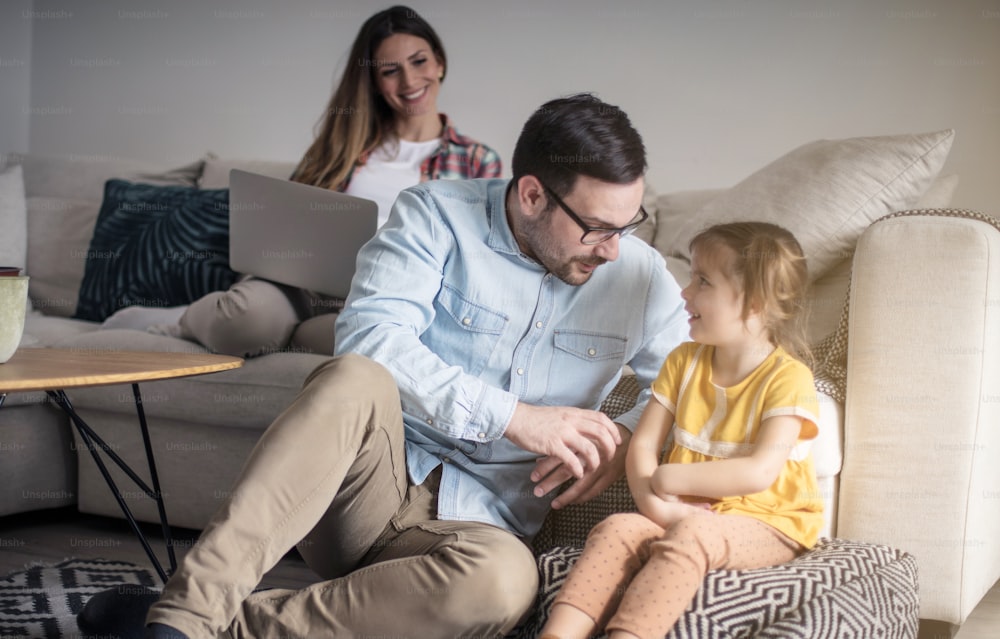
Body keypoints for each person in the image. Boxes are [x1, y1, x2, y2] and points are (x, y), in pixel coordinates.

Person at [77, 93, 690, 639]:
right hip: (365, 494)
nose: (613, 249)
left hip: (478, 530)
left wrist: (628, 437)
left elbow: (688, 380)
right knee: (354, 375)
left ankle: (203, 629)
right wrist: (514, 417)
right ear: (532, 194)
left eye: (626, 225)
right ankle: (186, 616)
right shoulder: (435, 215)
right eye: (596, 229)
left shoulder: (640, 276)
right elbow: (370, 336)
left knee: (506, 584)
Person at [101, 5, 501, 358]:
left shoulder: (477, 162)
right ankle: (184, 319)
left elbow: (480, 262)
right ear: (375, 83)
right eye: (390, 71)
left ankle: (283, 336)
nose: (409, 81)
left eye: (419, 62)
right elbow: (285, 220)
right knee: (244, 323)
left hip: (378, 296)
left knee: (368, 345)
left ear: (440, 63)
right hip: (300, 283)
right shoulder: (341, 145)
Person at [538, 221, 824, 639]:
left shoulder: (789, 378)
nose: (684, 293)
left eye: (703, 281)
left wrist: (670, 477)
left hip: (772, 523)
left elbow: (759, 471)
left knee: (695, 532)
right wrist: (655, 506)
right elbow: (643, 447)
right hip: (683, 512)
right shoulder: (684, 361)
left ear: (756, 303)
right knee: (618, 528)